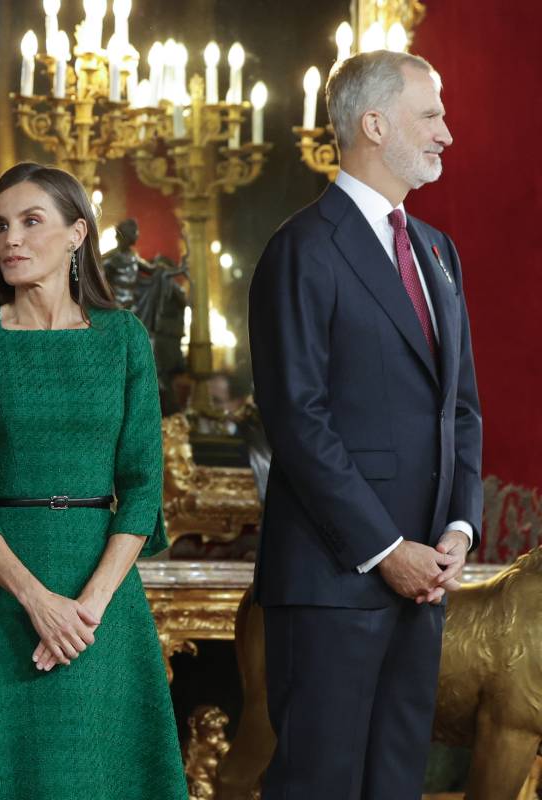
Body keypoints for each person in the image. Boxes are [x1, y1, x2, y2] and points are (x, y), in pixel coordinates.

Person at [248, 50, 482, 799]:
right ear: (374, 123)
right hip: (332, 583)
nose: (447, 133)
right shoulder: (302, 249)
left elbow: (462, 407)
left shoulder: (438, 252)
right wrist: (386, 550)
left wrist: (457, 530)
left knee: (395, 785)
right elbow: (297, 420)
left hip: (425, 586)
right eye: (432, 115)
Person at [0, 163, 185, 800]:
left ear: (77, 234)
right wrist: (37, 602)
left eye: (31, 221)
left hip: (104, 608)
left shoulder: (124, 338)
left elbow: (143, 487)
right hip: (0, 599)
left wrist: (88, 609)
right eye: (0, 225)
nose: (10, 239)